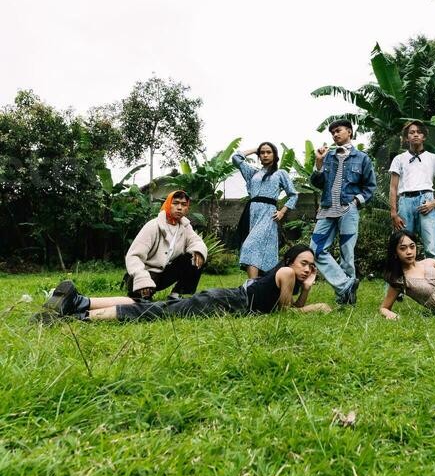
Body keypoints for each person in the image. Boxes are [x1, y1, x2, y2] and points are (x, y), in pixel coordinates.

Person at [32, 245, 331, 324]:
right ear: (290, 261)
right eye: (304, 262)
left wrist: (306, 291)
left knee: (155, 306)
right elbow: (286, 313)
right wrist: (313, 304)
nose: (308, 269)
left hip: (225, 299)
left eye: (312, 266)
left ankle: (81, 302)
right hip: (224, 302)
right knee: (158, 311)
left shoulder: (288, 276)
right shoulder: (286, 274)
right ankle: (78, 317)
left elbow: (286, 308)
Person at [310, 119, 376, 306]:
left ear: (349, 132)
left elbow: (370, 186)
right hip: (327, 209)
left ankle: (345, 298)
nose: (335, 135)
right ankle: (346, 285)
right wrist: (319, 163)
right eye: (332, 133)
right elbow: (316, 183)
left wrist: (356, 201)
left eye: (338, 131)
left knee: (347, 253)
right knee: (315, 250)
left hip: (349, 208)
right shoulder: (327, 156)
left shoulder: (362, 158)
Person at [123, 190, 207, 300]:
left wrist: (198, 251)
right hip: (145, 275)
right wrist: (141, 277)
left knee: (197, 256)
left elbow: (197, 242)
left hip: (164, 274)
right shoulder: (153, 226)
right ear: (168, 204)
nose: (179, 207)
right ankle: (141, 293)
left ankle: (178, 294)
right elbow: (134, 256)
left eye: (183, 204)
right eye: (175, 203)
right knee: (142, 305)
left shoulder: (185, 226)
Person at [232, 142, 299, 278]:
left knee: (249, 246)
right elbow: (236, 158)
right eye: (262, 153)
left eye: (269, 152)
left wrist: (282, 211)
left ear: (275, 155)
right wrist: (255, 149)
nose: (265, 155)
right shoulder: (252, 173)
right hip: (251, 214)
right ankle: (256, 286)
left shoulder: (281, 173)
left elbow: (293, 194)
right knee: (256, 249)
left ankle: (252, 285)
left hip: (268, 214)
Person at [389, 121, 435, 259]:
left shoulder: (434, 158)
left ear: (424, 137)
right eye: (411, 132)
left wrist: (434, 203)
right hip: (405, 202)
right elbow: (393, 187)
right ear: (406, 138)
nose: (415, 134)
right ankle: (399, 278)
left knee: (431, 246)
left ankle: (434, 279)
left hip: (426, 200)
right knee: (401, 243)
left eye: (419, 132)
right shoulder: (399, 159)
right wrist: (394, 213)